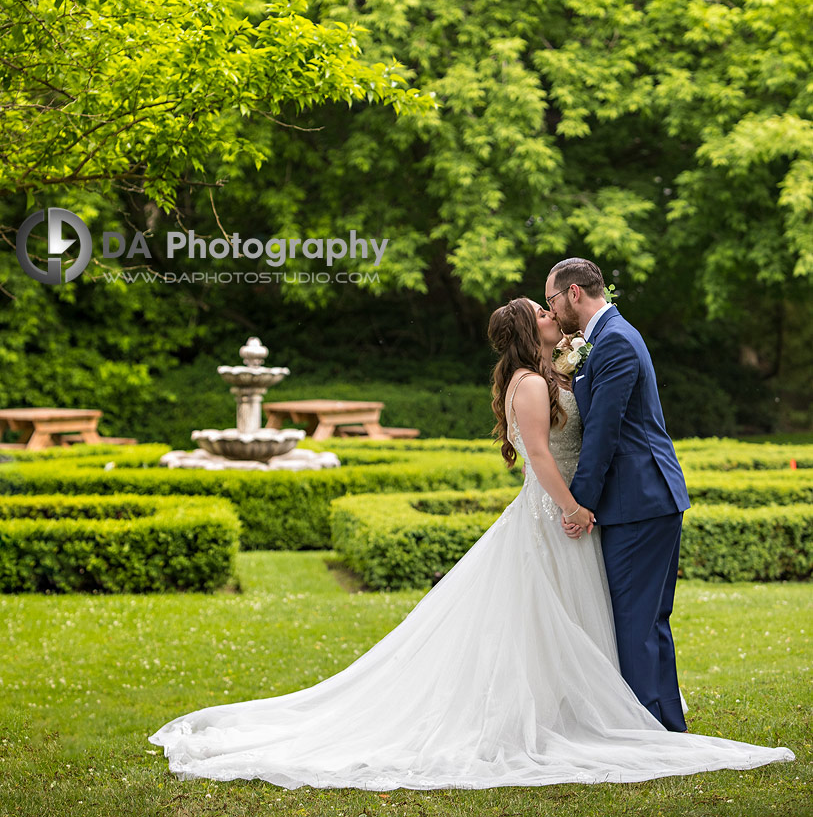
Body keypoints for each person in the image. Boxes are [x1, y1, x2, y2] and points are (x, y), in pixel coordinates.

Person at [147, 294, 794, 790]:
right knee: (542, 618)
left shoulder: (544, 374)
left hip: (557, 516)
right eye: (543, 312)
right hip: (551, 517)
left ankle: (570, 705)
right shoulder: (534, 383)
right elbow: (538, 453)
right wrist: (571, 505)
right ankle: (549, 717)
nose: (552, 314)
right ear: (527, 330)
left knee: (560, 621)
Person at [544, 256, 690, 732]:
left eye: (551, 300)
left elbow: (604, 432)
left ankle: (647, 732)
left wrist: (580, 502)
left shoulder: (616, 343)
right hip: (646, 498)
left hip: (638, 499)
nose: (552, 310)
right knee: (647, 622)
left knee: (633, 622)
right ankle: (666, 726)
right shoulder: (605, 339)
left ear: (573, 294)